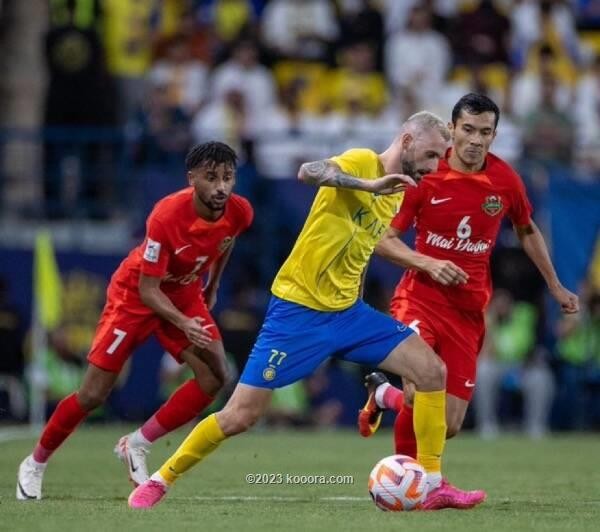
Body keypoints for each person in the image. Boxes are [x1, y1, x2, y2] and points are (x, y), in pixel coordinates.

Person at [128, 111, 486, 511]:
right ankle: (161, 479)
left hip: (349, 314)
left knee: (432, 371)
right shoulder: (361, 162)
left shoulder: (400, 192)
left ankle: (433, 484)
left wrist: (358, 302)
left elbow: (360, 252)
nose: (434, 166)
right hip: (297, 313)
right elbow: (308, 171)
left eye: (441, 159)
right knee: (240, 415)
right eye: (432, 155)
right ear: (406, 142)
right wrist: (368, 184)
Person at [16, 141, 254, 500]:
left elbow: (226, 242)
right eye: (211, 178)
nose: (221, 186)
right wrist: (185, 323)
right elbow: (148, 290)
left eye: (227, 177)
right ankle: (34, 463)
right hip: (136, 296)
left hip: (184, 293)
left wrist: (214, 285)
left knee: (216, 375)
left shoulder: (239, 211)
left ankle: (137, 443)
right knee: (94, 393)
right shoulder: (166, 216)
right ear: (192, 178)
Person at [357, 93, 579, 458]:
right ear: (452, 129)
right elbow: (383, 241)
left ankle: (383, 395)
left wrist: (554, 285)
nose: (476, 140)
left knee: (450, 424)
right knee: (419, 389)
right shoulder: (427, 174)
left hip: (467, 312)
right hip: (420, 300)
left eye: (485, 132)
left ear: (495, 135)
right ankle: (414, 481)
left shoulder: (505, 180)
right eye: (468, 129)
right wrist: (427, 263)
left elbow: (526, 229)